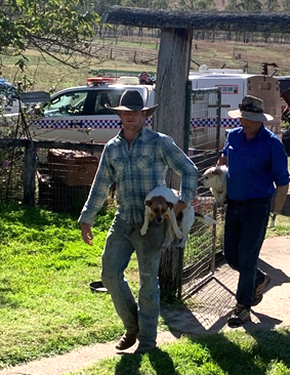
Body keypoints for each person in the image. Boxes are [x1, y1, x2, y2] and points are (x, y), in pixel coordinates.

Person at [78, 89, 198, 353]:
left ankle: (147, 340)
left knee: (147, 281)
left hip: (152, 225)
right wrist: (87, 217)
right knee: (109, 274)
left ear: (144, 115)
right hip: (123, 220)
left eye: (135, 112)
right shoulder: (112, 147)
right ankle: (132, 327)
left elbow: (189, 169)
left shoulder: (159, 142)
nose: (130, 116)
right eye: (125, 113)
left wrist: (182, 202)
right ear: (119, 116)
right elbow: (101, 184)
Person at [218, 95, 290, 327]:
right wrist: (218, 180)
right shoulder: (233, 136)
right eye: (242, 117)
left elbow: (283, 181)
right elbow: (224, 160)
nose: (244, 122)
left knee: (247, 258)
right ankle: (258, 279)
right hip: (233, 204)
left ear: (260, 119)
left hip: (258, 206)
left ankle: (242, 307)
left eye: (249, 118)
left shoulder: (271, 143)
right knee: (231, 255)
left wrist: (275, 211)